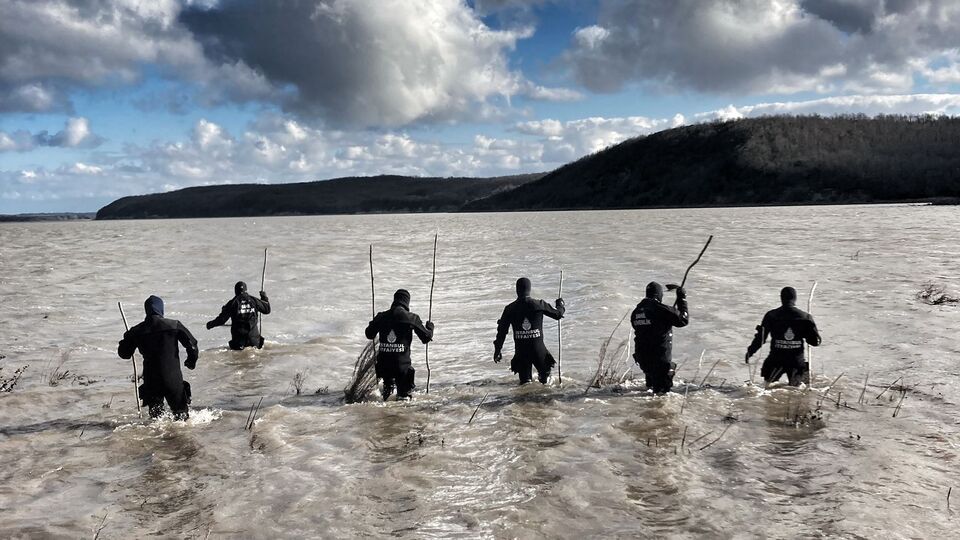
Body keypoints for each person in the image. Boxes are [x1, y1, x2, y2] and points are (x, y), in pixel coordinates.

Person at [118, 295, 199, 419]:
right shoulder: (174, 325)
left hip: (151, 381)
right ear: (161, 309)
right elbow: (192, 345)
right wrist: (191, 362)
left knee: (156, 420)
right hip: (172, 379)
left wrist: (127, 338)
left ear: (146, 310)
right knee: (182, 417)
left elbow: (124, 354)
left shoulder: (137, 331)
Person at [365, 289, 434, 401]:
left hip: (384, 366)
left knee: (386, 399)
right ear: (407, 302)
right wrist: (430, 327)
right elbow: (426, 338)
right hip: (402, 368)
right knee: (403, 401)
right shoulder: (412, 318)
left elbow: (369, 334)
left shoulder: (381, 316)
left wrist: (374, 322)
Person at [494, 277, 565, 385]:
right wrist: (560, 305)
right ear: (529, 289)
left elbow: (502, 331)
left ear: (517, 290)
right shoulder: (539, 304)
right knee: (545, 382)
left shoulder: (510, 309)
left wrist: (498, 350)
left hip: (521, 353)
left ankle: (523, 401)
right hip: (539, 351)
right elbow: (558, 315)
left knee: (525, 384)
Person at [745, 286, 822, 386]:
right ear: (795, 299)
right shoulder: (805, 317)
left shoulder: (771, 315)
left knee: (766, 389)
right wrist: (809, 330)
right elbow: (815, 342)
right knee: (798, 391)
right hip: (796, 361)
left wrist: (750, 351)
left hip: (776, 360)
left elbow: (761, 338)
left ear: (781, 298)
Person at [631, 282, 689, 394]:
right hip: (659, 360)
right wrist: (682, 299)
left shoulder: (637, 311)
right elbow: (683, 320)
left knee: (650, 389)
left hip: (643, 359)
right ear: (659, 295)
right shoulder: (661, 309)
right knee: (661, 395)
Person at [206, 281, 271, 350]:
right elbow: (267, 310)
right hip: (254, 340)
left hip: (239, 341)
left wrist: (210, 324)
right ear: (246, 290)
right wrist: (264, 298)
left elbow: (221, 320)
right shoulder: (254, 301)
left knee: (238, 358)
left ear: (235, 291)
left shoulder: (232, 303)